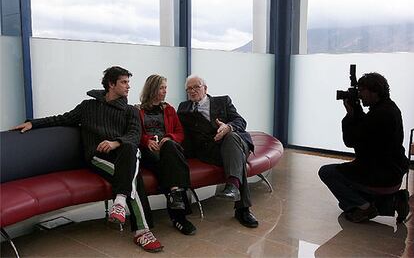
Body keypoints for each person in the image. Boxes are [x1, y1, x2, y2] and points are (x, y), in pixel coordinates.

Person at [12, 66, 163, 252]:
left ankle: (120, 202)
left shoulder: (130, 110)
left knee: (131, 151)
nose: (128, 86)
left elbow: (133, 135)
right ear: (111, 84)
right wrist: (33, 123)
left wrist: (116, 142)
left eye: (128, 82)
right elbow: (61, 119)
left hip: (123, 154)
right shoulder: (88, 106)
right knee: (132, 177)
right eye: (124, 82)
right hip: (98, 157)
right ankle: (142, 231)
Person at [319, 72, 410, 223]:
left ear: (374, 91)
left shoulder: (379, 115)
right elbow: (366, 131)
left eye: (362, 91)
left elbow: (351, 140)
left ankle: (366, 208)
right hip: (393, 173)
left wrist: (350, 115)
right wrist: (357, 111)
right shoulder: (389, 108)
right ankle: (394, 200)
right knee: (346, 204)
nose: (359, 96)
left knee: (327, 172)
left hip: (380, 175)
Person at [177, 75, 258, 228]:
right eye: (189, 88)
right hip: (211, 150)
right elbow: (181, 133)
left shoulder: (223, 101)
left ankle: (234, 188)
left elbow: (241, 121)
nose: (193, 91)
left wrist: (227, 127)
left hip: (236, 143)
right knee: (237, 159)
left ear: (205, 88)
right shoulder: (183, 108)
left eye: (197, 87)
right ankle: (242, 209)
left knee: (231, 137)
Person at [137, 74, 196, 235]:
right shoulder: (137, 110)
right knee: (173, 164)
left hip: (168, 150)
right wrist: (147, 141)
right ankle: (179, 217)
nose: (165, 91)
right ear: (153, 89)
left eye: (165, 88)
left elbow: (179, 133)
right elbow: (135, 133)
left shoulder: (169, 109)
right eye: (162, 87)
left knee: (170, 148)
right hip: (148, 152)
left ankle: (175, 195)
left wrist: (169, 137)